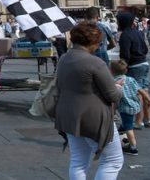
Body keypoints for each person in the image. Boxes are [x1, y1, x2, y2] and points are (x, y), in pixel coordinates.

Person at [56, 22, 124, 180]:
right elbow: (113, 95)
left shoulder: (64, 58)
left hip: (68, 115)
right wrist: (119, 88)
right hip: (93, 117)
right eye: (99, 43)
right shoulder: (95, 62)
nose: (99, 46)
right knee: (112, 160)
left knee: (78, 161)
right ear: (93, 43)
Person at [117, 11, 150, 128]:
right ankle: (148, 119)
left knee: (136, 92)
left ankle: (139, 121)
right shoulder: (138, 33)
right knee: (145, 90)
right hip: (144, 63)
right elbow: (145, 49)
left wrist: (122, 67)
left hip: (134, 65)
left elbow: (125, 54)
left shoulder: (125, 35)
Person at [110, 59, 148, 156]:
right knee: (125, 126)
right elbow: (141, 91)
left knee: (129, 128)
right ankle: (122, 132)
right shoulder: (131, 79)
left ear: (111, 71)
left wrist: (112, 111)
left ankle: (133, 148)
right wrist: (149, 101)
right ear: (126, 70)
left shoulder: (114, 82)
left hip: (125, 108)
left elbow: (114, 99)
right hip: (135, 106)